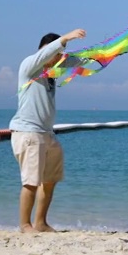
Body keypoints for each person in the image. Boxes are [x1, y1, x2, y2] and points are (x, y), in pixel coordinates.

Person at [9, 28, 86, 233]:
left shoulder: (52, 71)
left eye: (58, 57)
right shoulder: (29, 66)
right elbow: (46, 54)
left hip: (47, 133)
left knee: (50, 180)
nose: (55, 59)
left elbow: (77, 61)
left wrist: (104, 52)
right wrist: (65, 38)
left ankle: (40, 223)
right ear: (44, 51)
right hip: (28, 133)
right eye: (53, 55)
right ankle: (25, 225)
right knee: (31, 182)